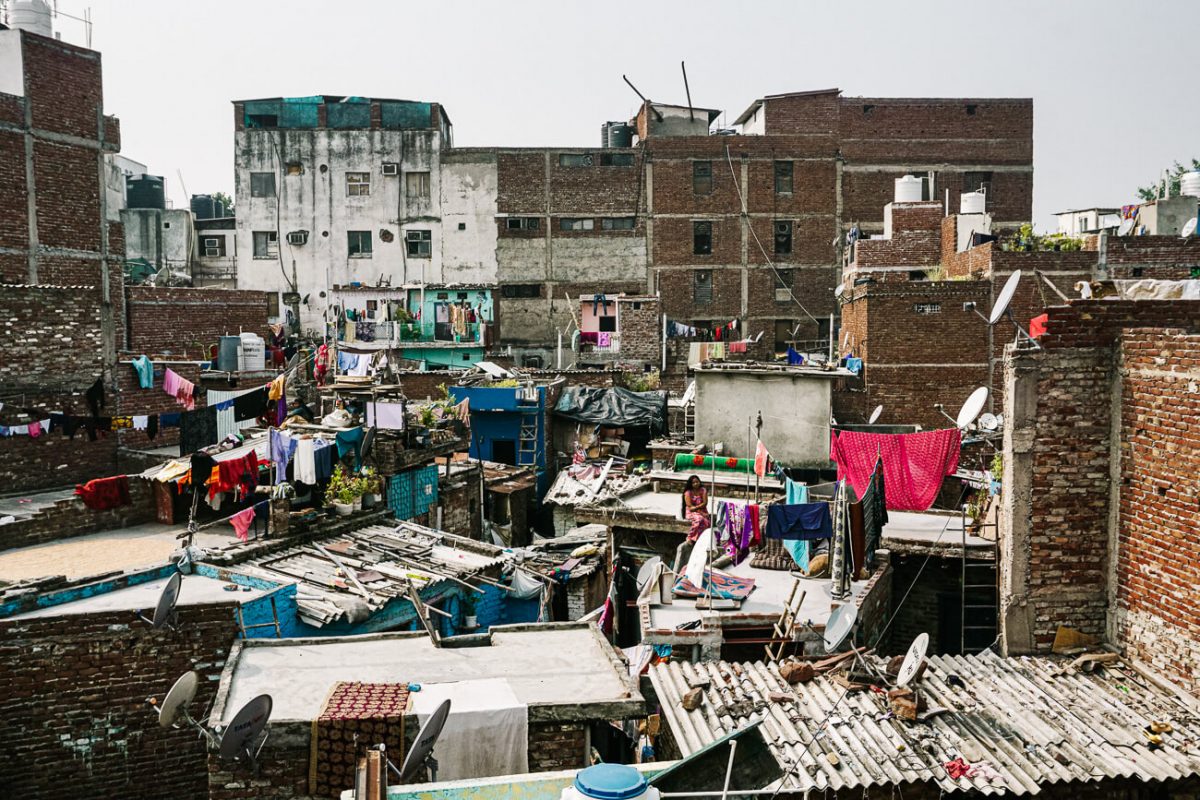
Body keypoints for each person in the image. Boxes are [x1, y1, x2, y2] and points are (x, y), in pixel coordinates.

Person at [681, 475, 710, 542]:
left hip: (702, 511)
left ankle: (700, 539)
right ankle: (690, 537)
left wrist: (697, 509)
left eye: (697, 482)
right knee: (699, 519)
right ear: (690, 484)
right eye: (693, 483)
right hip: (691, 512)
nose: (696, 484)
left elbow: (705, 503)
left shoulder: (703, 490)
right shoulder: (688, 493)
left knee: (707, 522)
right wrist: (700, 512)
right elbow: (690, 507)